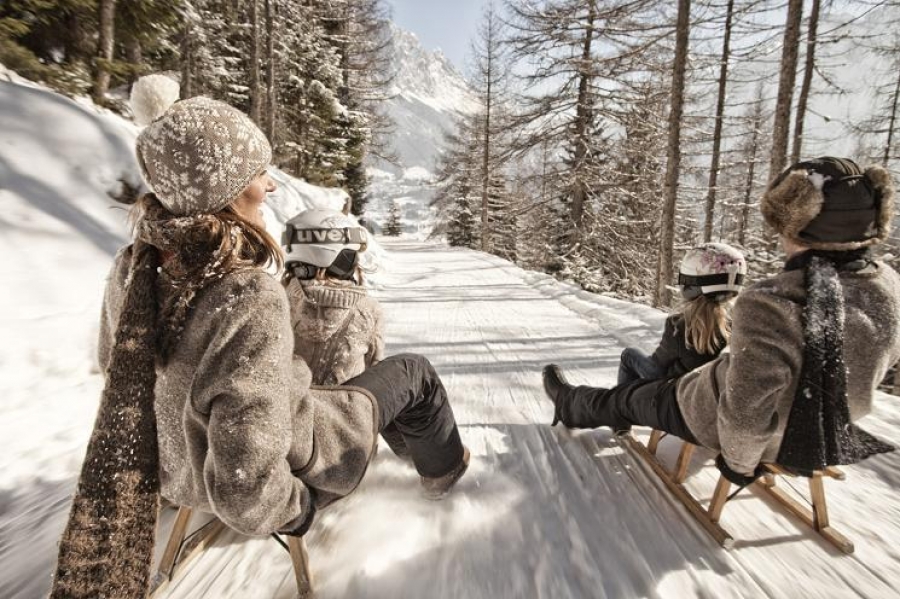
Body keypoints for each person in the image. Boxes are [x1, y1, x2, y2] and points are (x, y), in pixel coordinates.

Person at [51, 81, 468, 598]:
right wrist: (297, 511)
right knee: (413, 375)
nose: (269, 186)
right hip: (299, 460)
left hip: (172, 468)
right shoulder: (245, 294)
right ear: (223, 190)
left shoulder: (132, 269)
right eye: (257, 173)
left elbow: (114, 366)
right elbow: (245, 481)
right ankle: (443, 471)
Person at [543, 156, 900, 487]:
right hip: (821, 436)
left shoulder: (772, 302)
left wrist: (739, 465)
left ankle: (569, 402)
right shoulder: (888, 288)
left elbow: (745, 413)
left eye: (783, 228)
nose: (779, 238)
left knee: (625, 397)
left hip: (714, 415)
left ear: (800, 229)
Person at [281, 207, 409, 458]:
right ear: (338, 259)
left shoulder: (273, 301)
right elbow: (374, 383)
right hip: (345, 453)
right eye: (350, 255)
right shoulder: (368, 310)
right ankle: (413, 460)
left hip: (286, 447)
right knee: (408, 372)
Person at [617, 243, 746, 386]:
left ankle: (618, 406)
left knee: (628, 355)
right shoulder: (737, 327)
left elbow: (656, 369)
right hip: (708, 395)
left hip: (675, 395)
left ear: (690, 282)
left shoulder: (680, 326)